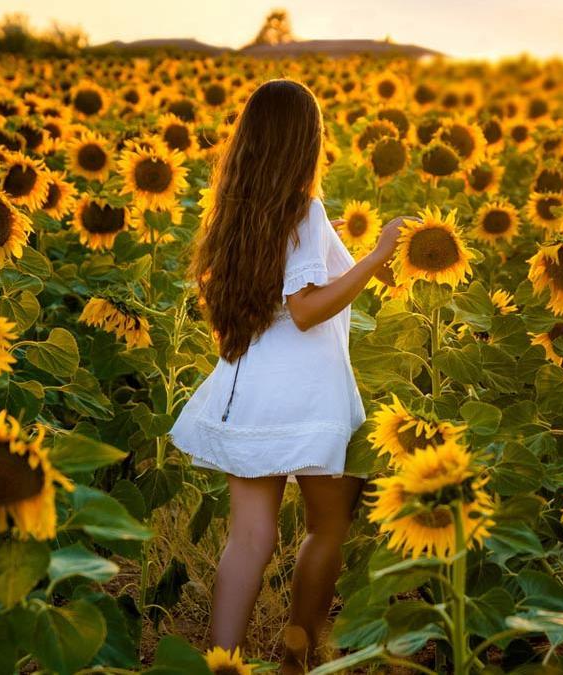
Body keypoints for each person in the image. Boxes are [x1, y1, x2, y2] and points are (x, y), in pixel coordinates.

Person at [168, 78, 407, 673]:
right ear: (308, 141)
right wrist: (378, 255)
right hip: (306, 391)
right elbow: (305, 307)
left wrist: (381, 268)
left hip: (250, 388)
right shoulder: (304, 207)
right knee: (328, 527)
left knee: (249, 536)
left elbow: (324, 283)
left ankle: (220, 663)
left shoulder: (236, 212)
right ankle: (299, 657)